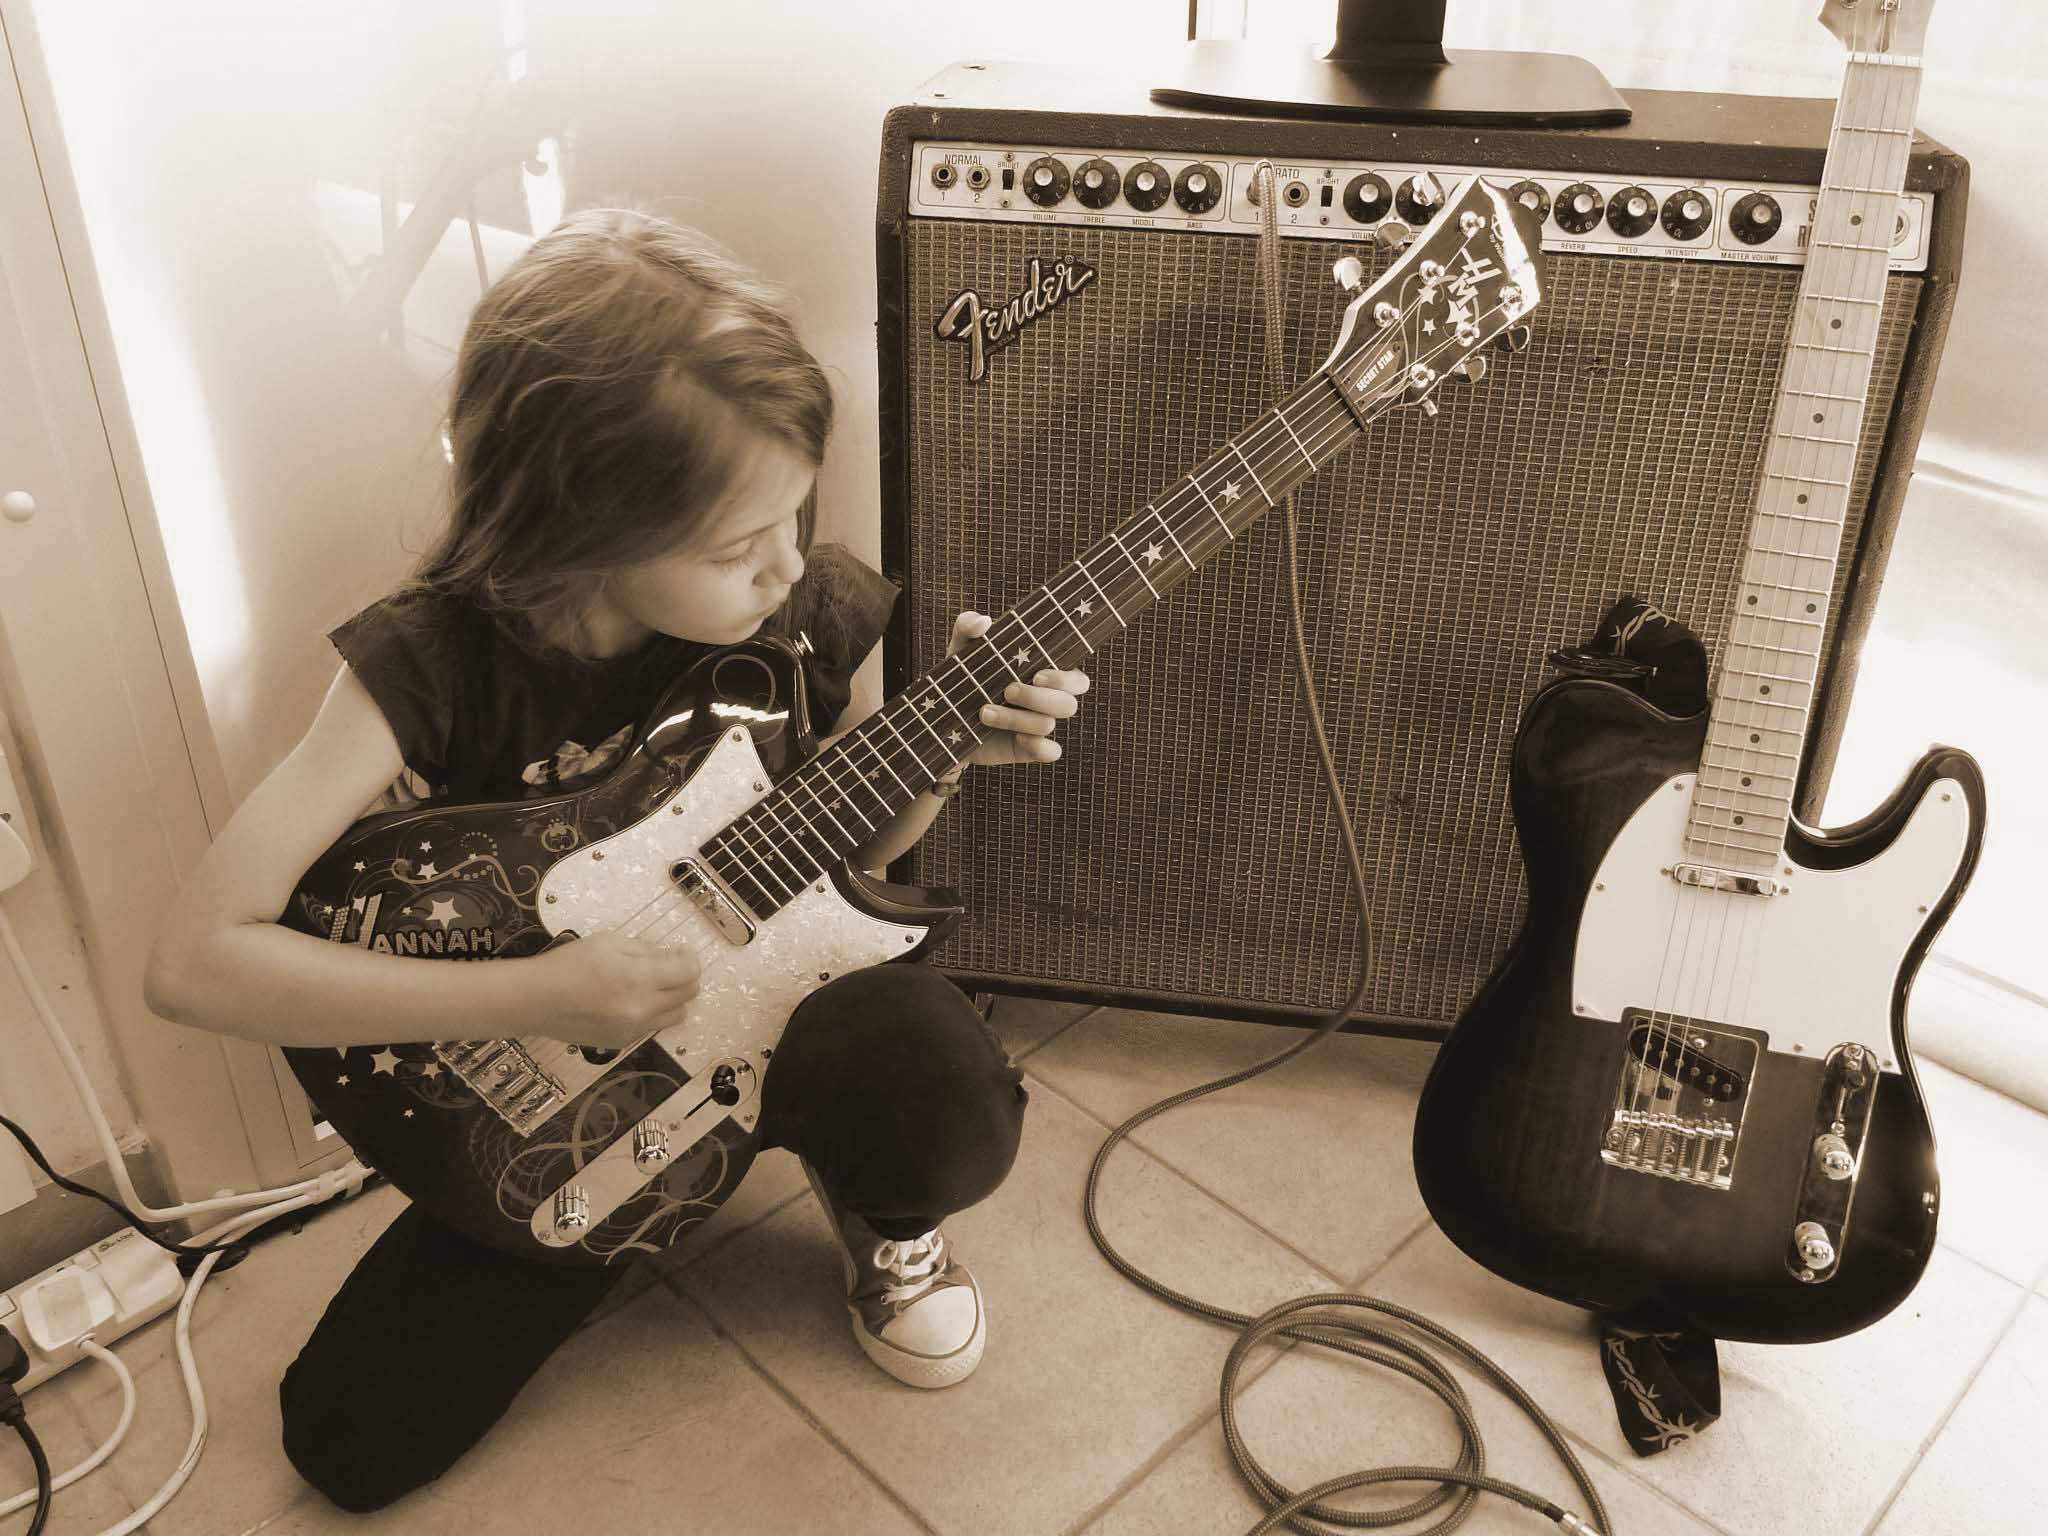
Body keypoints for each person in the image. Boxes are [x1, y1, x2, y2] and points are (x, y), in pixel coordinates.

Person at [141, 208, 1090, 1514]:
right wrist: (534, 995)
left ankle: (872, 1201)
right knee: (346, 1444)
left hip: (775, 1017)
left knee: (946, 1092)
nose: (787, 566)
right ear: (574, 531)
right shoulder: (427, 665)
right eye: (736, 546)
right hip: (560, 1094)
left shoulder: (789, 613)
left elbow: (833, 866)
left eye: (796, 513)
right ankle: (639, 1205)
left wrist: (937, 761)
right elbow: (195, 962)